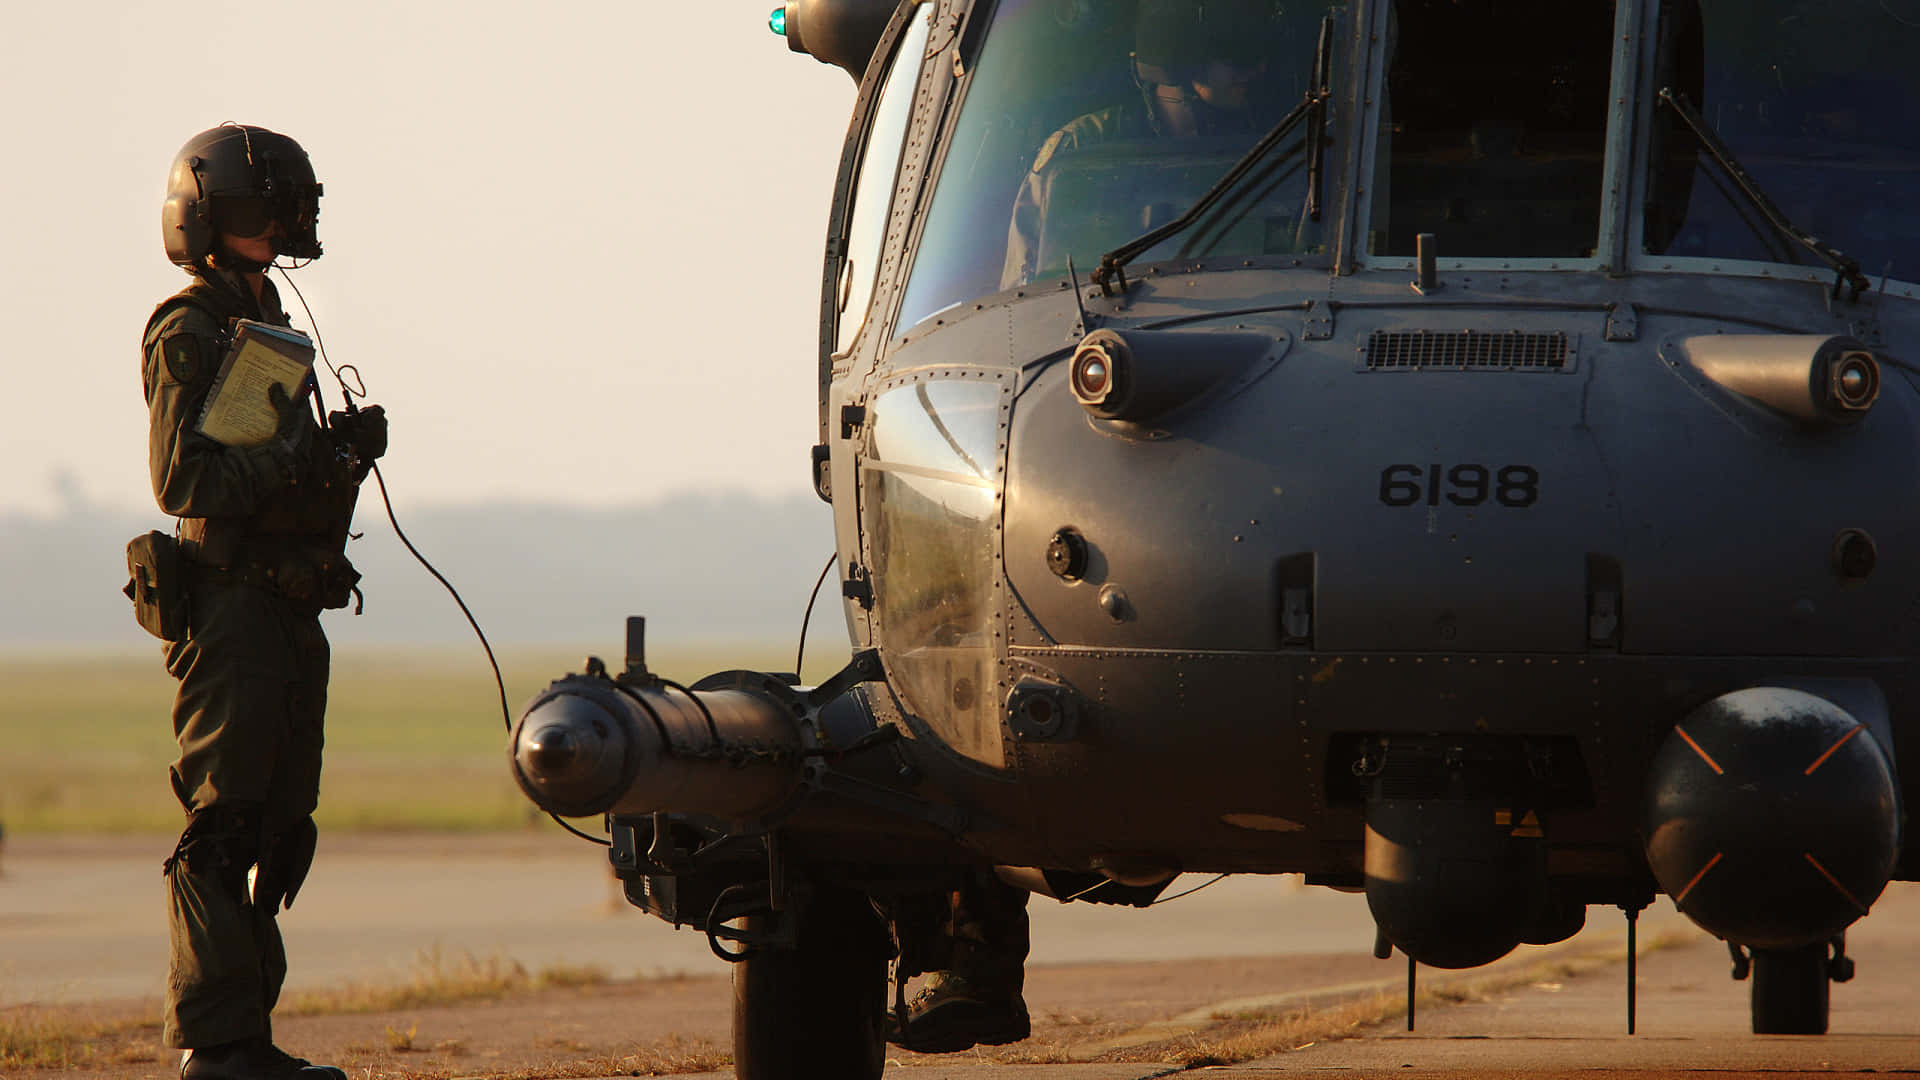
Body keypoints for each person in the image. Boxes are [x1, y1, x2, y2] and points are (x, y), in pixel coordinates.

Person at [140, 123, 387, 1080]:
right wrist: (298, 455)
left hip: (289, 609)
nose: (274, 226)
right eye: (253, 210)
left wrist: (338, 457)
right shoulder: (190, 328)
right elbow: (186, 478)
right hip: (233, 614)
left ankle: (250, 1039)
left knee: (280, 829)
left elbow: (275, 475)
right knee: (224, 823)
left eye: (282, 209)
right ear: (203, 221)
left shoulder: (270, 322)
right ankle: (218, 1045)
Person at [1002, 0, 1289, 289]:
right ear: (1177, 55)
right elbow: (1025, 294)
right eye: (1238, 55)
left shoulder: (1276, 144)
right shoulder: (1079, 150)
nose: (1257, 70)